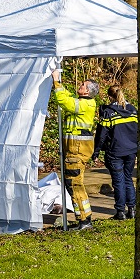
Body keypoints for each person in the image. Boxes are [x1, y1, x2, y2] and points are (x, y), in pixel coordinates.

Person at [52, 69, 98, 230]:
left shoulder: (85, 104)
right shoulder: (82, 102)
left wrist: (56, 82)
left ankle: (85, 220)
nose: (80, 85)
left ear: (88, 91)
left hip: (76, 152)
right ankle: (82, 219)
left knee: (75, 185)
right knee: (71, 185)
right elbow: (68, 98)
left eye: (82, 85)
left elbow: (65, 102)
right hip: (73, 152)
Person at [91, 86, 138, 221]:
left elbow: (102, 135)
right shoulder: (133, 110)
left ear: (110, 97)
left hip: (115, 151)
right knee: (128, 178)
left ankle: (120, 211)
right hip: (131, 150)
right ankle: (132, 209)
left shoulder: (108, 112)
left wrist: (96, 152)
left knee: (118, 181)